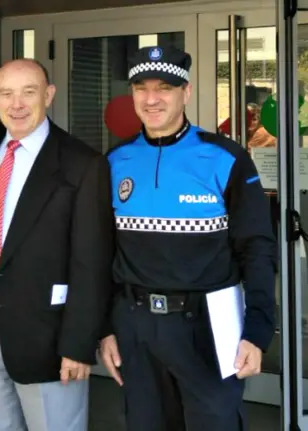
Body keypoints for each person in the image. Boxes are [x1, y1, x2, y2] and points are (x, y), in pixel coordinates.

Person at [99, 46, 276, 430]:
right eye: (141, 88)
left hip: (208, 327)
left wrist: (257, 331)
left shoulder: (225, 158)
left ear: (187, 92)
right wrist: (105, 329)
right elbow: (101, 254)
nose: (151, 99)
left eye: (164, 87)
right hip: (135, 325)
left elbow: (257, 248)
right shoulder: (115, 161)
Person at [0, 58, 114, 431]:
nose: (17, 104)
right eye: (7, 94)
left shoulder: (83, 163)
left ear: (49, 95)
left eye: (29, 92)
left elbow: (91, 263)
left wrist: (78, 344)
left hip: (49, 327)